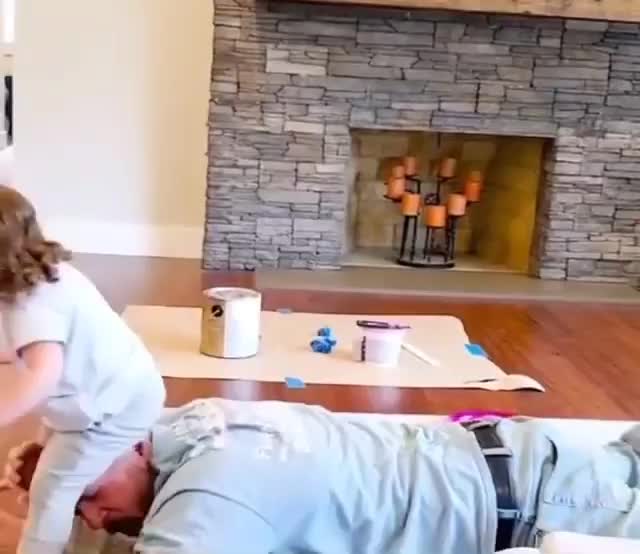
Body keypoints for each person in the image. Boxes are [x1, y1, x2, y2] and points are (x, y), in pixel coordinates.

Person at [3, 397, 640, 554]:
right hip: (534, 459)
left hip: (559, 506)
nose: (94, 519)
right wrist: (45, 471)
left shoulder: (216, 487)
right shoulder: (193, 423)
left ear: (135, 449)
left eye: (89, 497)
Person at [0, 186, 166, 553]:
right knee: (43, 462)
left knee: (53, 487)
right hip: (96, 396)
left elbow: (40, 375)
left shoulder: (32, 302)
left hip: (116, 407)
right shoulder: (39, 277)